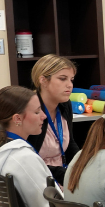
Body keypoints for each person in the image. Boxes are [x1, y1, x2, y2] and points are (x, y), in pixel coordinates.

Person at [0, 86, 72, 207]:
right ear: (17, 119)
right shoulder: (22, 157)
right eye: (37, 111)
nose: (44, 116)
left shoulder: (6, 151)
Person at [26, 55, 79, 185]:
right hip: (37, 180)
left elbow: (70, 144)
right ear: (43, 80)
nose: (69, 85)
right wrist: (67, 176)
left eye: (71, 80)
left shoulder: (65, 105)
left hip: (61, 177)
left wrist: (84, 164)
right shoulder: (29, 108)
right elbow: (28, 163)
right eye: (62, 79)